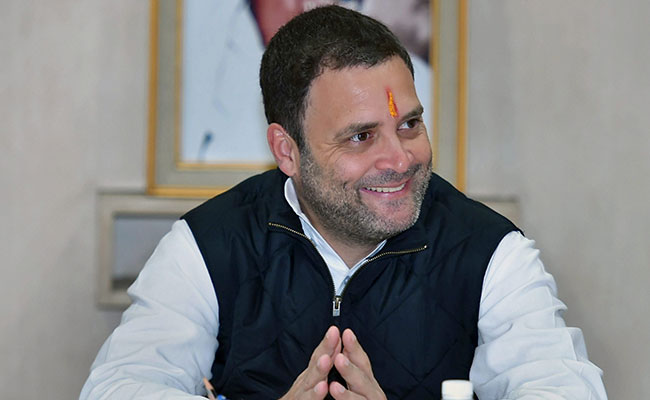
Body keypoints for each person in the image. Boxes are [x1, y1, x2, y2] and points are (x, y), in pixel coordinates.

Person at [81, 6, 607, 400]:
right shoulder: (207, 245)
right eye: (361, 137)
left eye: (410, 124)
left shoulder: (492, 254)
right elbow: (119, 387)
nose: (399, 159)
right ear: (287, 151)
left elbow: (563, 388)